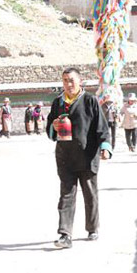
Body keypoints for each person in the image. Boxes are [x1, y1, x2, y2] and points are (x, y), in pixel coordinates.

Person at [46, 67, 112, 249]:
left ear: (80, 81)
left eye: (71, 80)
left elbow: (102, 127)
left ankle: (92, 227)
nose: (68, 84)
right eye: (65, 80)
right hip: (65, 156)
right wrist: (54, 125)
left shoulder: (90, 100)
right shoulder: (58, 102)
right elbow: (49, 129)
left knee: (90, 193)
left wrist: (105, 147)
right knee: (66, 194)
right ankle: (65, 234)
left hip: (87, 155)